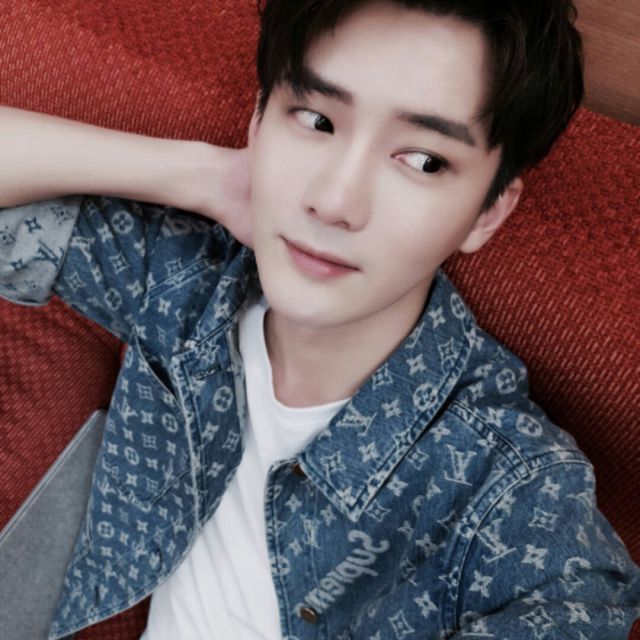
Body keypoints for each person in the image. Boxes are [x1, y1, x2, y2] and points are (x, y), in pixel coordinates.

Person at [1, 0, 639, 638]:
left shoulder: (513, 494)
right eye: (316, 120)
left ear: (487, 213)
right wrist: (203, 175)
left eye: (424, 160)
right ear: (258, 122)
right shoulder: (184, 286)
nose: (334, 202)